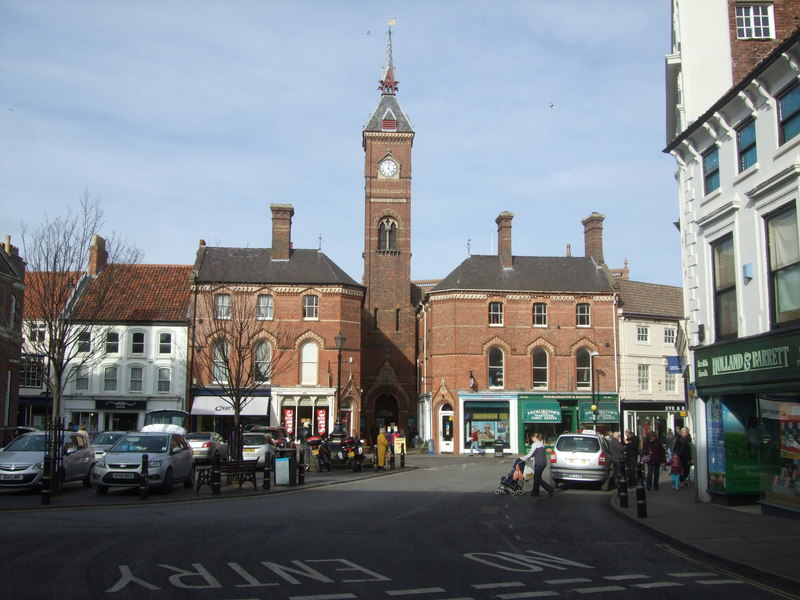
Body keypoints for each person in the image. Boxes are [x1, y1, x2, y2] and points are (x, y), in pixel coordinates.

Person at [521, 432, 554, 498]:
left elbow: (530, 454)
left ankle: (550, 489)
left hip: (539, 463)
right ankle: (535, 492)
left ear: (534, 437)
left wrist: (523, 458)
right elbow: (536, 453)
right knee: (537, 477)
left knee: (537, 478)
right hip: (543, 463)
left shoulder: (535, 444)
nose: (531, 439)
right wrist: (531, 458)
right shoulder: (541, 444)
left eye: (532, 438)